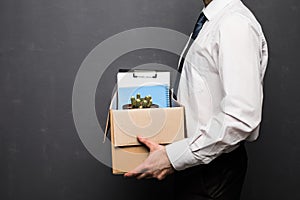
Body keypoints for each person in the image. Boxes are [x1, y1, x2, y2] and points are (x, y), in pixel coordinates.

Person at [125, 0, 268, 199]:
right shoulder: (212, 20)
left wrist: (171, 157)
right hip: (195, 161)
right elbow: (200, 95)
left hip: (212, 171)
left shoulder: (234, 24)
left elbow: (240, 119)